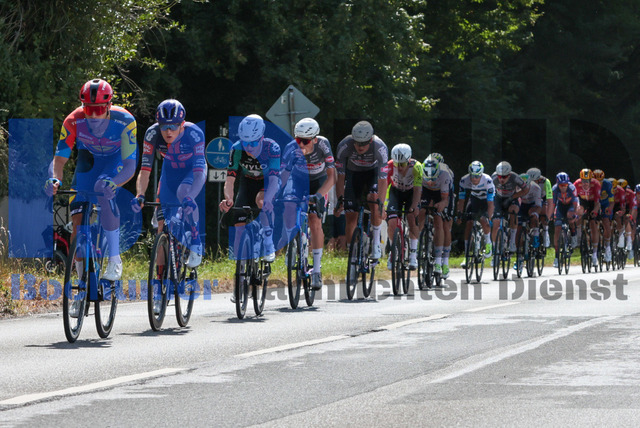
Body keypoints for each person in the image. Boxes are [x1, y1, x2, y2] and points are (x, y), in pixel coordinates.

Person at [44, 79, 137, 282]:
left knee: (103, 188)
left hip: (114, 161)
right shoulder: (73, 120)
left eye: (99, 109)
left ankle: (114, 259)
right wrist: (54, 179)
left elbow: (130, 166)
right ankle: (82, 282)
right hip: (89, 160)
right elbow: (59, 161)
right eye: (89, 109)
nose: (94, 115)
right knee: (77, 222)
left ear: (109, 106)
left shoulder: (125, 120)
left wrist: (115, 183)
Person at [132, 99, 207, 270]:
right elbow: (145, 170)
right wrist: (140, 194)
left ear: (182, 124)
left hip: (192, 172)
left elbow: (199, 172)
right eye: (164, 126)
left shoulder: (194, 133)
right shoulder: (152, 134)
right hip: (169, 174)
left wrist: (190, 196)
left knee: (183, 192)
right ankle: (160, 279)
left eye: (173, 126)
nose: (168, 131)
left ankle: (196, 241)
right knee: (161, 227)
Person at [280, 117, 336, 290]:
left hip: (318, 182)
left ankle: (317, 269)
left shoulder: (323, 145)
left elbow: (332, 177)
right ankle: (292, 243)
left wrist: (319, 195)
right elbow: (284, 175)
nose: (301, 144)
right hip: (298, 180)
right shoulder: (291, 148)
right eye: (298, 140)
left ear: (315, 139)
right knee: (288, 205)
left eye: (305, 141)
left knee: (314, 220)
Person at [219, 114, 280, 263]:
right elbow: (230, 180)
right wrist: (228, 199)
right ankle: (240, 268)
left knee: (261, 201)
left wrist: (268, 200)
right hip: (247, 182)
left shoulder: (272, 148)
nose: (249, 147)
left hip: (268, 182)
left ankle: (268, 242)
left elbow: (274, 180)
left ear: (261, 138)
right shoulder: (236, 149)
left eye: (253, 143)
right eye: (245, 143)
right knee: (239, 225)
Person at [334, 121, 388, 260]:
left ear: (370, 140)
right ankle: (352, 253)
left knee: (374, 200)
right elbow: (340, 176)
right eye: (357, 143)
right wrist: (340, 199)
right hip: (354, 174)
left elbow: (383, 180)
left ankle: (376, 244)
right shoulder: (344, 145)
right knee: (350, 215)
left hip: (373, 174)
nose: (360, 147)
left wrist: (381, 204)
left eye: (364, 143)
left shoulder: (380, 147)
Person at [384, 144, 422, 271]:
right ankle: (393, 251)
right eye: (397, 164)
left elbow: (418, 189)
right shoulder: (389, 166)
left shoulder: (416, 167)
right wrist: (382, 205)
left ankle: (413, 254)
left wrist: (415, 206)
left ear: (409, 160)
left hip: (411, 193)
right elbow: (384, 186)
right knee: (392, 221)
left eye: (403, 164)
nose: (399, 167)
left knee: (411, 218)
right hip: (396, 192)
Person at [419, 154, 453, 276]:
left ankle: (442, 262)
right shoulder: (419, 171)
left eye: (433, 178)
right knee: (421, 211)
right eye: (428, 178)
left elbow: (445, 200)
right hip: (426, 191)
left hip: (442, 192)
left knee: (441, 222)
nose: (430, 182)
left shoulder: (445, 174)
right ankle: (421, 245)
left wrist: (441, 205)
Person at [456, 161, 495, 266]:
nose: (474, 179)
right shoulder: (464, 180)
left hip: (486, 200)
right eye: (472, 176)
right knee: (468, 223)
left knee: (483, 220)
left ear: (481, 174)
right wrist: (459, 214)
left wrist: (489, 217)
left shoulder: (487, 180)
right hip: (474, 199)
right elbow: (461, 200)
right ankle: (466, 256)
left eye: (477, 176)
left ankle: (488, 243)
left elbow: (491, 203)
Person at [490, 161, 529, 253]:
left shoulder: (515, 177)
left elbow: (526, 189)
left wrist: (513, 197)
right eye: (499, 176)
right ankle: (495, 249)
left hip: (512, 198)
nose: (501, 179)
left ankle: (512, 242)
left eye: (504, 177)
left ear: (509, 175)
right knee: (496, 222)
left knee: (513, 211)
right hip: (498, 198)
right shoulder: (493, 178)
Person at [573, 168, 601, 267]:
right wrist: (577, 210)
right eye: (584, 181)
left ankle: (595, 254)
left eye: (588, 181)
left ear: (590, 180)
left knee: (593, 224)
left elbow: (597, 202)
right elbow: (575, 200)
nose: (585, 183)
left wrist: (595, 211)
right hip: (582, 201)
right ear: (581, 180)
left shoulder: (596, 184)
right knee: (578, 212)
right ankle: (579, 235)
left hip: (593, 203)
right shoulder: (576, 184)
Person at [551, 172, 579, 268]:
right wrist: (551, 214)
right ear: (557, 184)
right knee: (557, 229)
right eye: (561, 185)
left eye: (565, 185)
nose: (563, 187)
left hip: (571, 205)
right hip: (560, 206)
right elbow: (553, 204)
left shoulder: (572, 188)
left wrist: (575, 214)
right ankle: (556, 257)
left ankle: (573, 234)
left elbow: (575, 203)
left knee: (570, 216)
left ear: (568, 184)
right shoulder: (554, 189)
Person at [526, 168, 553, 248]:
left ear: (539, 179)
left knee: (543, 213)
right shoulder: (525, 181)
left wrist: (547, 218)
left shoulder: (545, 182)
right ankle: (533, 233)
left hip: (543, 198)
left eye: (535, 181)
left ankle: (545, 231)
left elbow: (550, 202)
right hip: (532, 199)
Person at [592, 169, 613, 262]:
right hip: (594, 203)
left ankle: (608, 247)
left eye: (600, 181)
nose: (598, 183)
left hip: (605, 204)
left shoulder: (608, 184)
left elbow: (612, 199)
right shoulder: (590, 184)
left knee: (606, 223)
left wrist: (610, 209)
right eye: (596, 181)